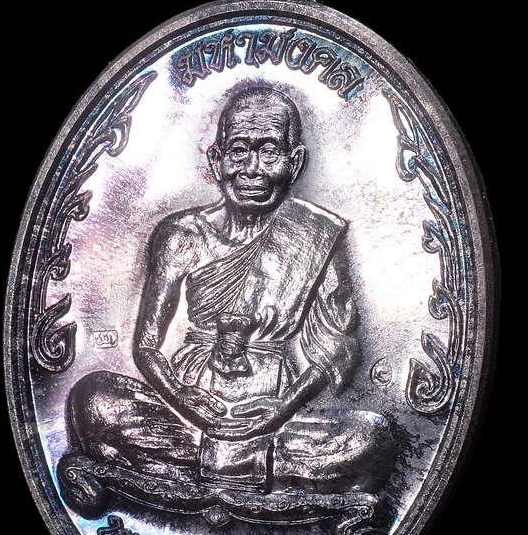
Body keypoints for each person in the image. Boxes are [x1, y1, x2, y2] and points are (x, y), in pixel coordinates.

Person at [68, 86, 395, 494]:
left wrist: (282, 409)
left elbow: (336, 348)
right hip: (187, 405)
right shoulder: (181, 234)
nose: (252, 169)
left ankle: (196, 470)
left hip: (273, 407)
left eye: (269, 152)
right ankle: (253, 471)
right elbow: (147, 346)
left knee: (371, 438)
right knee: (94, 399)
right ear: (216, 159)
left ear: (295, 163)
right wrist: (182, 398)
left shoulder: (317, 235)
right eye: (239, 151)